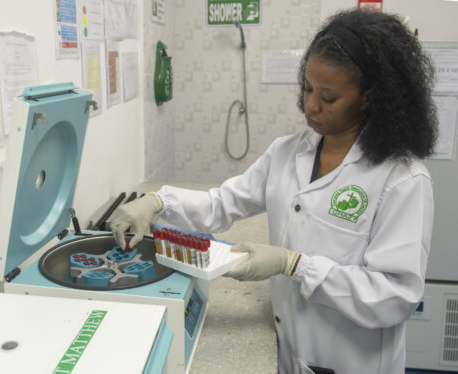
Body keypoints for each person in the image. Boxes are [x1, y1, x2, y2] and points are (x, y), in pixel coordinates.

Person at [110, 9, 437, 374]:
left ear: (368, 97)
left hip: (351, 360)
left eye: (328, 98)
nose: (311, 106)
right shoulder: (288, 151)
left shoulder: (402, 178)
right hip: (289, 348)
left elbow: (394, 297)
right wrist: (158, 201)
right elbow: (223, 203)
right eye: (307, 88)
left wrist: (294, 265)